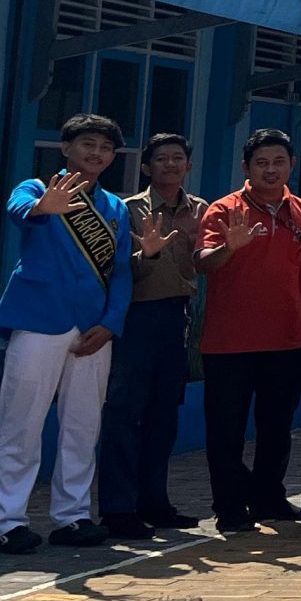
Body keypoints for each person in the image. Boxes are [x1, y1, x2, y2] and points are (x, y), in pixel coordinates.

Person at [0, 113, 144, 553]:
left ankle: (73, 515)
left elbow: (120, 273)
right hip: (40, 320)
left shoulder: (115, 207)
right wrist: (42, 208)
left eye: (106, 148)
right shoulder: (36, 189)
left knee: (82, 425)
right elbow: (18, 212)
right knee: (22, 423)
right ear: (66, 147)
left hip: (93, 328)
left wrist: (111, 324)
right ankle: (8, 521)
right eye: (88, 144)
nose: (96, 154)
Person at [196, 128, 301, 533]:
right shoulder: (224, 209)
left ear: (292, 165)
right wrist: (230, 246)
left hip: (286, 339)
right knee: (227, 429)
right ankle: (229, 506)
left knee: (277, 427)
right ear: (246, 167)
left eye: (279, 162)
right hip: (230, 343)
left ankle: (268, 497)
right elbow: (203, 264)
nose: (271, 170)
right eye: (262, 163)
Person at [99, 131, 204, 537]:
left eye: (178, 158)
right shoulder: (126, 210)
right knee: (124, 414)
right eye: (162, 159)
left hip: (177, 318)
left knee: (164, 417)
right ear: (146, 167)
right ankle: (118, 509)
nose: (171, 165)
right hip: (136, 318)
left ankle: (154, 502)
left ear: (188, 166)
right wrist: (149, 254)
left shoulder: (200, 210)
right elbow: (117, 271)